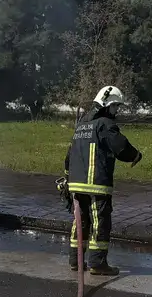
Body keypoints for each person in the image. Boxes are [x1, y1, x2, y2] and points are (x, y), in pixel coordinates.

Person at [61, 85, 143, 276]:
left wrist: (67, 176)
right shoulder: (105, 124)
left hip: (76, 184)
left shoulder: (82, 124)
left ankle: (75, 261)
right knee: (100, 223)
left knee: (79, 222)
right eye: (115, 107)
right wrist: (136, 155)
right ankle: (97, 264)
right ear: (107, 105)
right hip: (96, 184)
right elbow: (120, 146)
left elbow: (69, 155)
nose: (116, 112)